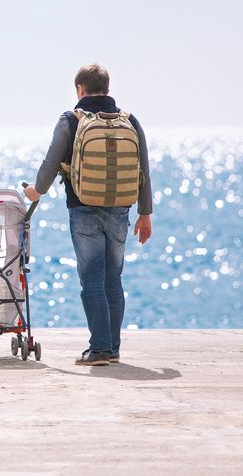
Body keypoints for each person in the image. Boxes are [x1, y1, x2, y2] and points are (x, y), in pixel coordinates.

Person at [24, 64, 153, 366]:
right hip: (121, 208)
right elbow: (144, 169)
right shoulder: (129, 120)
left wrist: (35, 191)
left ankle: (99, 349)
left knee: (92, 278)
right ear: (107, 88)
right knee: (113, 279)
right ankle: (113, 347)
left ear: (80, 90)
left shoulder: (71, 119)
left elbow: (51, 162)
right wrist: (145, 213)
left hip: (82, 208)